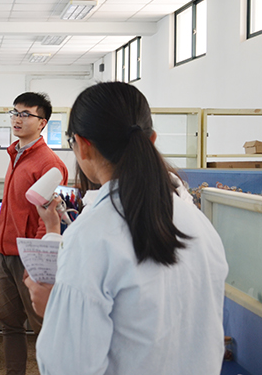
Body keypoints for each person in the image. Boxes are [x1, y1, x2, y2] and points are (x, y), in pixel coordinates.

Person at [24, 82, 228, 375]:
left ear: (82, 145)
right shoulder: (199, 224)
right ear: (152, 139)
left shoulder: (93, 234)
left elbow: (68, 366)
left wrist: (54, 310)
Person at [0, 92, 68, 375]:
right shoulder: (15, 155)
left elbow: (47, 219)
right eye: (15, 112)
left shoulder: (49, 163)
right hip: (4, 253)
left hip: (29, 257)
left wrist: (36, 262)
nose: (17, 119)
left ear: (42, 123)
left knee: (43, 325)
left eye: (26, 114)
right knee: (9, 324)